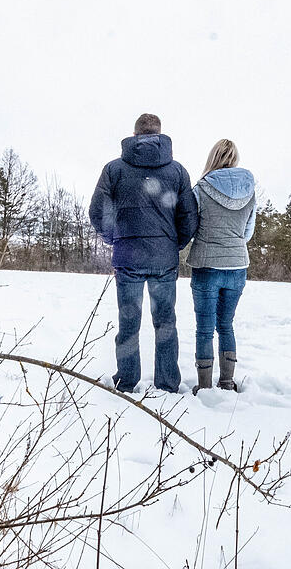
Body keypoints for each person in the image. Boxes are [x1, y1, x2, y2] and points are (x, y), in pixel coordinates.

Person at [89, 114, 198, 393]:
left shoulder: (114, 169)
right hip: (164, 259)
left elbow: (98, 211)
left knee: (128, 321)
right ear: (160, 134)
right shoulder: (177, 171)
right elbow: (189, 216)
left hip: (128, 259)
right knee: (165, 322)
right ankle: (167, 382)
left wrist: (114, 238)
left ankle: (126, 380)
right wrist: (174, 243)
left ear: (135, 135)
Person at [187, 138, 256, 393]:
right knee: (226, 325)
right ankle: (226, 382)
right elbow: (248, 232)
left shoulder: (201, 189)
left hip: (206, 266)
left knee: (204, 329)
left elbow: (191, 227)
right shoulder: (250, 189)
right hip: (237, 267)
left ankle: (204, 387)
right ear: (234, 158)